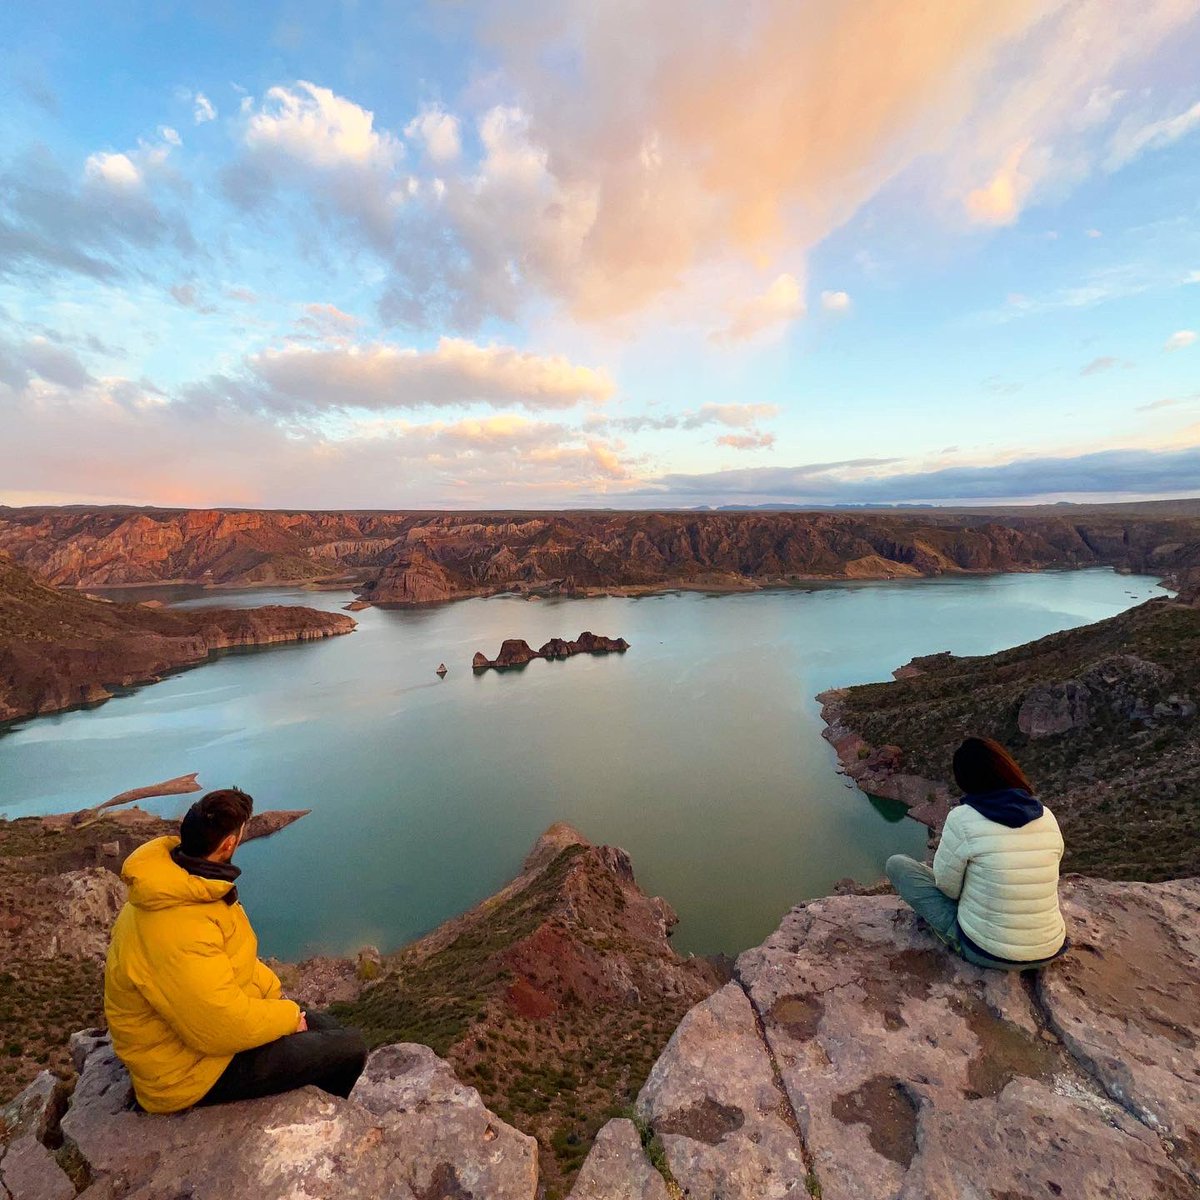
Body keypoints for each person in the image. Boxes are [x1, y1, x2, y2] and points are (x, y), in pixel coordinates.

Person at [104, 787, 367, 1113]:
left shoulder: (184, 887)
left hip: (202, 1043)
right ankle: (328, 1119)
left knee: (329, 1029)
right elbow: (218, 1028)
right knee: (350, 1049)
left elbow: (229, 967)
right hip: (188, 1074)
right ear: (229, 844)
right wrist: (287, 1018)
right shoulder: (179, 923)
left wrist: (277, 1002)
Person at [886, 737, 1067, 971]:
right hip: (1049, 949)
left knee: (897, 865)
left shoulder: (963, 819)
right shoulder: (1047, 817)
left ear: (965, 779)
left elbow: (946, 887)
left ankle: (963, 942)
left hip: (986, 953)